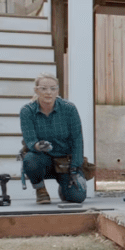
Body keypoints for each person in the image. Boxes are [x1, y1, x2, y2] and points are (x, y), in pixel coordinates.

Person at [20, 73, 87, 204]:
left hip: (65, 161)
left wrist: (75, 169)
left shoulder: (69, 109)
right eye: (43, 88)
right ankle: (40, 189)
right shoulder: (27, 111)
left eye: (53, 88)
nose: (48, 92)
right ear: (36, 90)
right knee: (30, 160)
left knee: (77, 198)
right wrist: (39, 145)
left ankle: (65, 188)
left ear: (57, 91)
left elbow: (77, 141)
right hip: (42, 159)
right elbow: (30, 140)